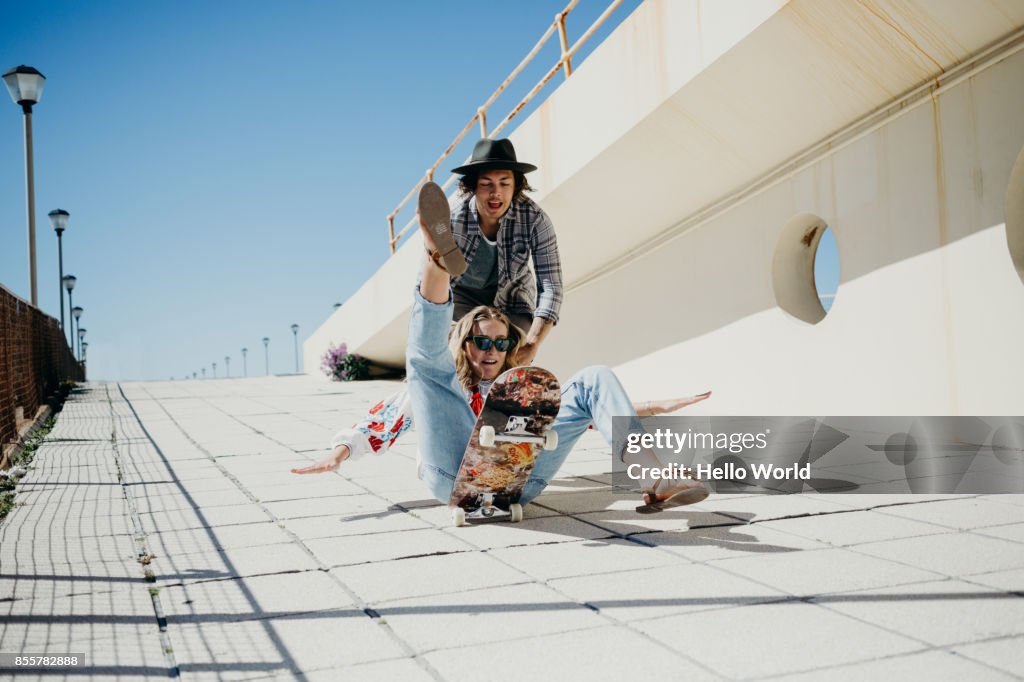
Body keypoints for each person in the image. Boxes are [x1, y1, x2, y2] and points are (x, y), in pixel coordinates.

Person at [293, 183, 709, 512]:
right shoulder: (447, 385)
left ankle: (653, 474)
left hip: (519, 484)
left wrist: (653, 406)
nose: (491, 350)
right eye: (481, 342)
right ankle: (436, 259)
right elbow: (381, 421)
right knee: (427, 371)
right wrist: (339, 454)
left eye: (499, 342)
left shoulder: (517, 391)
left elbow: (587, 412)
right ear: (467, 344)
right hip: (453, 477)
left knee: (588, 380)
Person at [426, 137, 562, 366]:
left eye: (504, 183)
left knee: (510, 354)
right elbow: (431, 284)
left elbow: (552, 286)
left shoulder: (535, 220)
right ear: (472, 187)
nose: (495, 192)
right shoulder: (453, 221)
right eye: (486, 183)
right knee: (460, 351)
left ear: (516, 186)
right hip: (463, 298)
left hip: (512, 300)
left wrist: (533, 344)